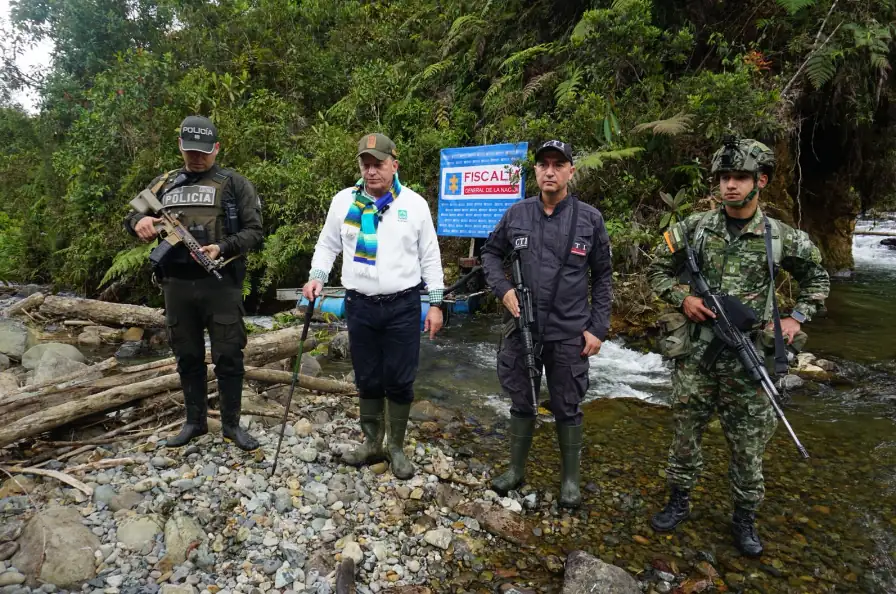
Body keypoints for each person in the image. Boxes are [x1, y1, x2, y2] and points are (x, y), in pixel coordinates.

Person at [646, 138, 830, 556]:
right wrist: (683, 299)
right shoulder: (693, 227)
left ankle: (745, 517)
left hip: (748, 360)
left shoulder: (781, 237)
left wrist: (794, 318)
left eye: (740, 177)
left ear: (759, 181)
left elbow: (818, 280)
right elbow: (655, 268)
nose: (730, 185)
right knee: (685, 435)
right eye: (724, 177)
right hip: (695, 355)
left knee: (748, 447)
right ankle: (678, 500)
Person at [303, 132, 445, 480]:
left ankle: (395, 447)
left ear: (394, 165)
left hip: (403, 305)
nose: (371, 171)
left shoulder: (413, 205)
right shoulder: (343, 202)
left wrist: (438, 303)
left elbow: (430, 257)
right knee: (367, 377)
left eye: (378, 164)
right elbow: (327, 245)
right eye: (365, 165)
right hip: (360, 305)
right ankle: (371, 443)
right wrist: (317, 276)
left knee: (399, 378)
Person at [480, 140, 613, 508]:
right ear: (535, 171)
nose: (550, 171)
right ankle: (516, 469)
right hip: (521, 328)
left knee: (567, 405)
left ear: (571, 170)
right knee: (521, 400)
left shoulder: (589, 219)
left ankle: (570, 479)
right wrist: (503, 289)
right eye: (543, 165)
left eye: (558, 164)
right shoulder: (517, 214)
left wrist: (597, 328)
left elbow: (603, 277)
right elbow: (490, 254)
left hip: (569, 333)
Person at [124, 115, 264, 451]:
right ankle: (195, 422)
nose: (197, 157)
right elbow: (130, 216)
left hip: (220, 283)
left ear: (216, 148)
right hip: (176, 285)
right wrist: (140, 221)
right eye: (191, 151)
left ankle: (231, 426)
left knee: (229, 354)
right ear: (180, 147)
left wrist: (223, 246)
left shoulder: (234, 184)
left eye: (204, 151)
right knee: (186, 354)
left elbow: (255, 232)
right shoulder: (163, 183)